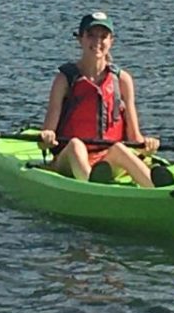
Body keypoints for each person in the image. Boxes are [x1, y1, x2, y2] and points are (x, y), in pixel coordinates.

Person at [37, 11, 162, 187]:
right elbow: (46, 139)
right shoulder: (64, 79)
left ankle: (157, 190)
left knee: (119, 148)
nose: (97, 42)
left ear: (111, 41)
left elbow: (135, 138)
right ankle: (93, 188)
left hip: (106, 159)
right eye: (91, 35)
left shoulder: (123, 79)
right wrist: (47, 137)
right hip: (68, 159)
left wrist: (148, 145)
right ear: (80, 39)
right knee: (75, 145)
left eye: (103, 37)